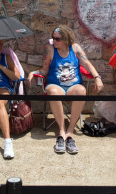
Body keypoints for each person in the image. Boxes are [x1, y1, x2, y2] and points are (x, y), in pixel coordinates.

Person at [26, 26, 104, 154]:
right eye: (53, 38)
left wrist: (97, 77)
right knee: (53, 92)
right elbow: (44, 70)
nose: (54, 41)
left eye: (57, 39)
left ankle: (70, 132)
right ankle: (61, 132)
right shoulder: (50, 50)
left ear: (66, 39)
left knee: (81, 91)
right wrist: (33, 73)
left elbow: (87, 63)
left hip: (73, 86)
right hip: (56, 85)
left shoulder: (75, 48)